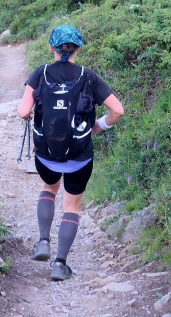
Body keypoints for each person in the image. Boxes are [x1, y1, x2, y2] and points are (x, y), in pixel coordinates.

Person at [17, 24, 124, 281]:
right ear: (78, 48)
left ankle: (43, 241)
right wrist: (98, 126)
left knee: (48, 188)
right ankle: (60, 264)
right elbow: (118, 110)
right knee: (71, 205)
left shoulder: (40, 73)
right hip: (79, 156)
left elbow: (22, 112)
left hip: (46, 155)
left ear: (51, 47)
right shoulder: (89, 77)